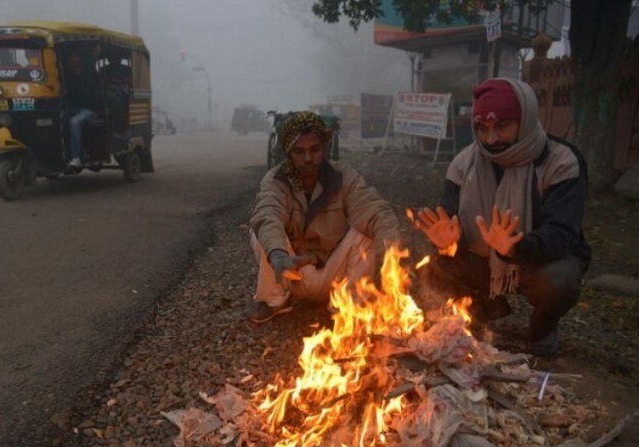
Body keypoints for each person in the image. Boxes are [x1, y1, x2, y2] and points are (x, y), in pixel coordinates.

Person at [414, 78, 591, 357]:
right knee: (436, 264)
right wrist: (449, 243)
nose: (491, 139)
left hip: (535, 261)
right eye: (482, 129)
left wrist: (515, 247)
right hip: (482, 260)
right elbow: (449, 220)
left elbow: (562, 234)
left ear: (526, 119)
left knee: (562, 279)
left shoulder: (561, 161)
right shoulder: (464, 164)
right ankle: (486, 306)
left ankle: (543, 327)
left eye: (502, 126)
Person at [247, 111, 402, 323]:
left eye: (315, 149)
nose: (308, 158)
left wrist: (392, 258)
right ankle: (271, 300)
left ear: (324, 149)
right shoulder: (276, 180)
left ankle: (351, 303)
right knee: (262, 232)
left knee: (365, 232)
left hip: (332, 274)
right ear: (288, 153)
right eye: (299, 152)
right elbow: (267, 212)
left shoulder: (344, 177)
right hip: (290, 273)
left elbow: (374, 211)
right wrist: (277, 254)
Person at [63, 51, 98, 168]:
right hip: (74, 109)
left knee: (74, 121)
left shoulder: (89, 73)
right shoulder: (67, 75)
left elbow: (86, 93)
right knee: (57, 117)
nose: (72, 59)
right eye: (70, 56)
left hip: (90, 110)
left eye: (75, 55)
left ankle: (76, 157)